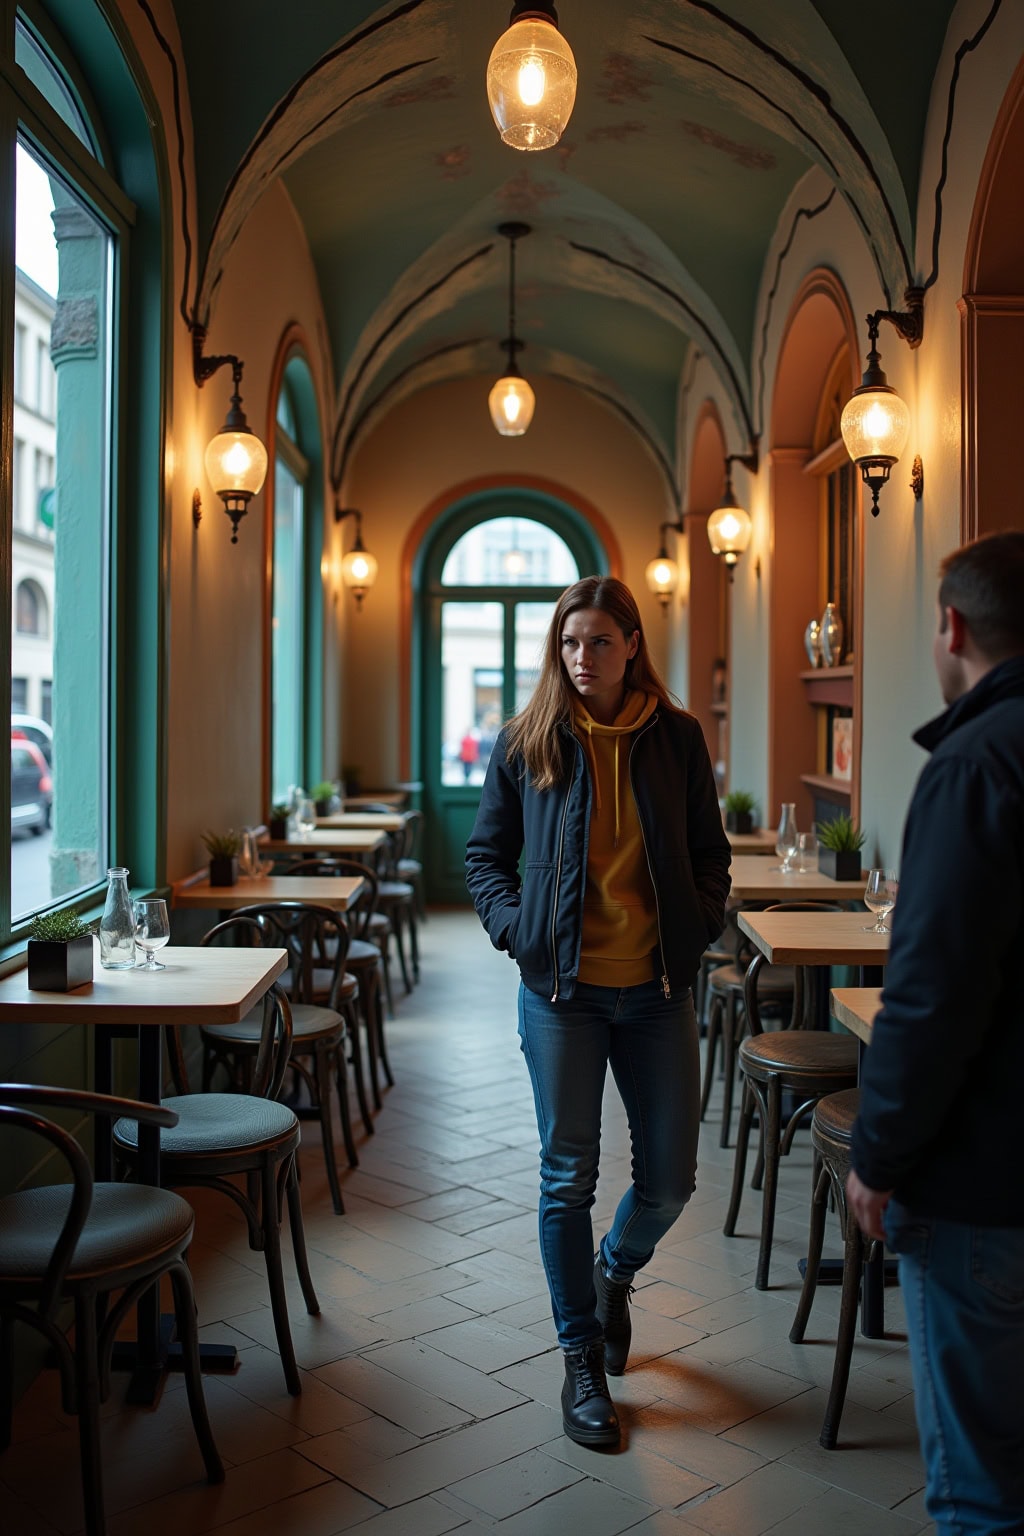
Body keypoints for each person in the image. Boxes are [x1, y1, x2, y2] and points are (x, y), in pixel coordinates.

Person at [465, 576, 731, 1448]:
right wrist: (519, 932)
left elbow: (707, 855)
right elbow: (484, 857)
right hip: (561, 996)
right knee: (565, 1176)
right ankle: (580, 1356)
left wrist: (695, 923)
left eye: (600, 643)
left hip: (656, 993)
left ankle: (614, 1270)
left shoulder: (677, 738)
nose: (583, 659)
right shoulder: (528, 738)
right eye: (570, 643)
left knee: (670, 1180)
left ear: (631, 646)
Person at [847, 530, 1024, 1534]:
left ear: (951, 628)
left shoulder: (972, 763)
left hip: (984, 1176)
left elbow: (931, 995)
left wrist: (880, 1154)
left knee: (980, 1486)